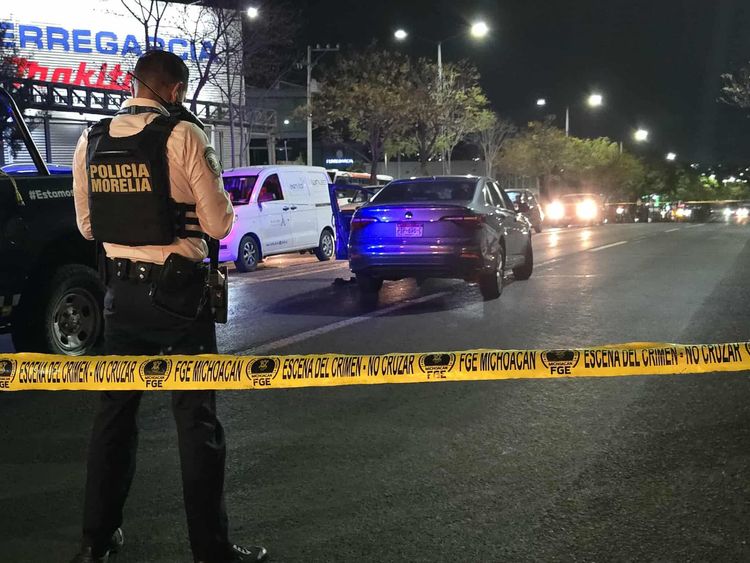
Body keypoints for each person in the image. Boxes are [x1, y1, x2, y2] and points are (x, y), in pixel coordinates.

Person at [70, 50, 268, 563]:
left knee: (114, 418)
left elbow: (88, 228)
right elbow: (219, 225)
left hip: (119, 296)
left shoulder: (90, 139)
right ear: (176, 90)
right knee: (196, 423)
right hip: (180, 297)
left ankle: (95, 543)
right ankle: (210, 550)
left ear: (133, 84)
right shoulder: (185, 135)